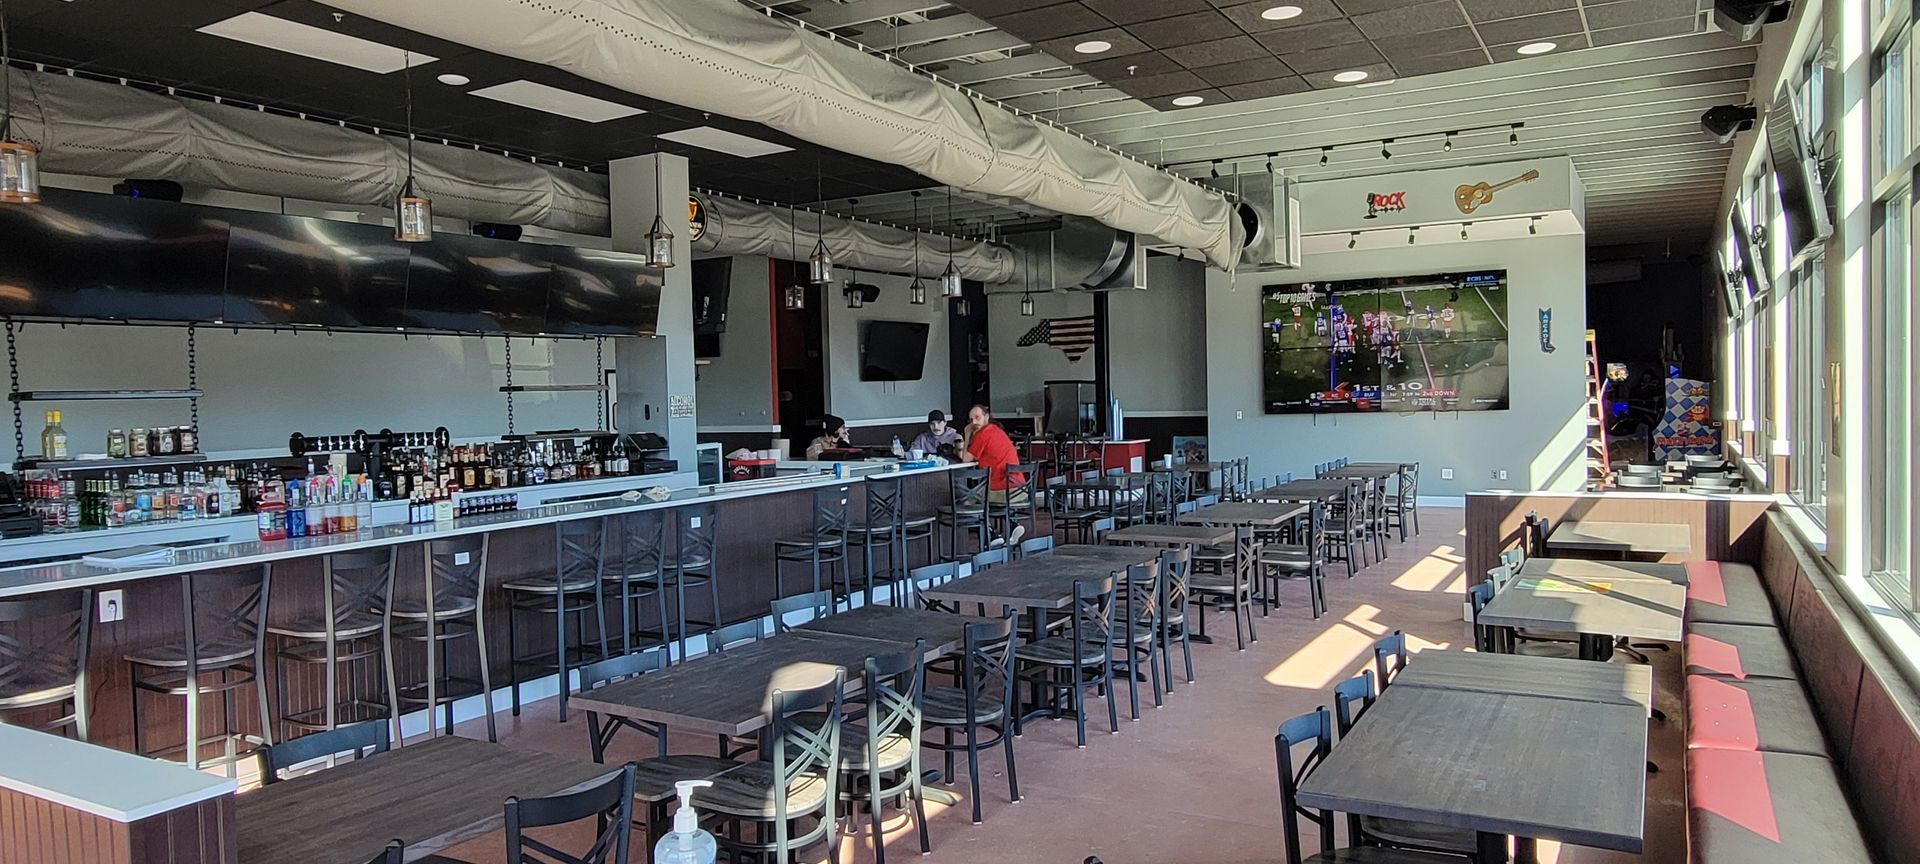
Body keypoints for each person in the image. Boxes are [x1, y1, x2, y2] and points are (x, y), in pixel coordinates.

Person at [959, 405, 1029, 545]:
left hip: (1004, 490)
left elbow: (965, 458)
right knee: (983, 496)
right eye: (971, 419)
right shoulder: (997, 431)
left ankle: (991, 533)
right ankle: (1012, 524)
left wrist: (966, 434)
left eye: (977, 417)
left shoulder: (982, 434)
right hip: (1020, 489)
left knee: (968, 500)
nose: (974, 422)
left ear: (986, 416)